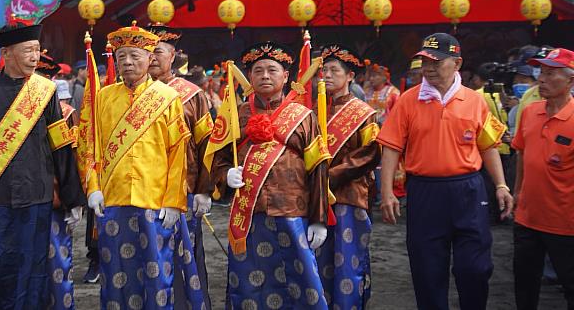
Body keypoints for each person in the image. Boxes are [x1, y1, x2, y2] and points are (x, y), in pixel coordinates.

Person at [378, 33, 514, 310]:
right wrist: (387, 192)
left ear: (457, 63)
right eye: (425, 62)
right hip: (425, 191)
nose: (428, 69)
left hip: (468, 190)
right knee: (427, 269)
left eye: (437, 62)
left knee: (475, 267)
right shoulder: (407, 100)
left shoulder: (475, 101)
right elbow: (391, 146)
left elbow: (488, 146)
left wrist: (501, 185)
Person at [0, 19, 85, 309]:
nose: (35, 57)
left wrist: (73, 197)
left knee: (29, 266)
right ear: (6, 53)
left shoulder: (45, 90)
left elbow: (61, 144)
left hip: (36, 193)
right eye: (28, 51)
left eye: (36, 50)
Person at [85, 23, 197, 309]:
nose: (128, 62)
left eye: (135, 56)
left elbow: (177, 153)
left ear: (150, 59)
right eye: (121, 56)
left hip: (155, 200)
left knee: (156, 272)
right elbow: (91, 146)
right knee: (116, 272)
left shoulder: (167, 97)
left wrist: (174, 201)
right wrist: (93, 188)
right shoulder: (104, 97)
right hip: (114, 198)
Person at [213, 41, 329, 309]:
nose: (265, 76)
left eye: (272, 70)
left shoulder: (302, 116)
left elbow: (318, 167)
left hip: (292, 211)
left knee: (300, 282)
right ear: (250, 77)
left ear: (286, 76)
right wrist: (225, 174)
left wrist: (319, 218)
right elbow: (217, 158)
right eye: (258, 70)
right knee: (249, 282)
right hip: (248, 214)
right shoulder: (236, 113)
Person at [148, 24, 215, 309]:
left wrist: (205, 190)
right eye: (146, 52)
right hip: (141, 191)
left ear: (173, 55)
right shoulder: (128, 94)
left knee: (184, 255)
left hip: (183, 189)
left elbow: (207, 145)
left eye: (158, 52)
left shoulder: (191, 94)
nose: (151, 57)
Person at [314, 46, 380, 310]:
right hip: (316, 197)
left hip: (349, 196)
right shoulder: (314, 110)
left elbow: (371, 153)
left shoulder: (363, 113)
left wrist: (328, 178)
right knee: (318, 260)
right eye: (324, 70)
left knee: (347, 260)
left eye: (334, 71)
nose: (327, 75)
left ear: (350, 75)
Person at [512, 48, 574, 309]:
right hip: (527, 217)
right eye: (541, 73)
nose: (542, 79)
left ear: (571, 80)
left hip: (566, 223)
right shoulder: (530, 111)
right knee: (524, 284)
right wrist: (517, 193)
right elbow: (522, 156)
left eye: (551, 74)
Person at [36, 50, 82, 310]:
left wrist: (74, 199)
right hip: (21, 197)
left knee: (56, 262)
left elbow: (73, 158)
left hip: (55, 198)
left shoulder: (65, 112)